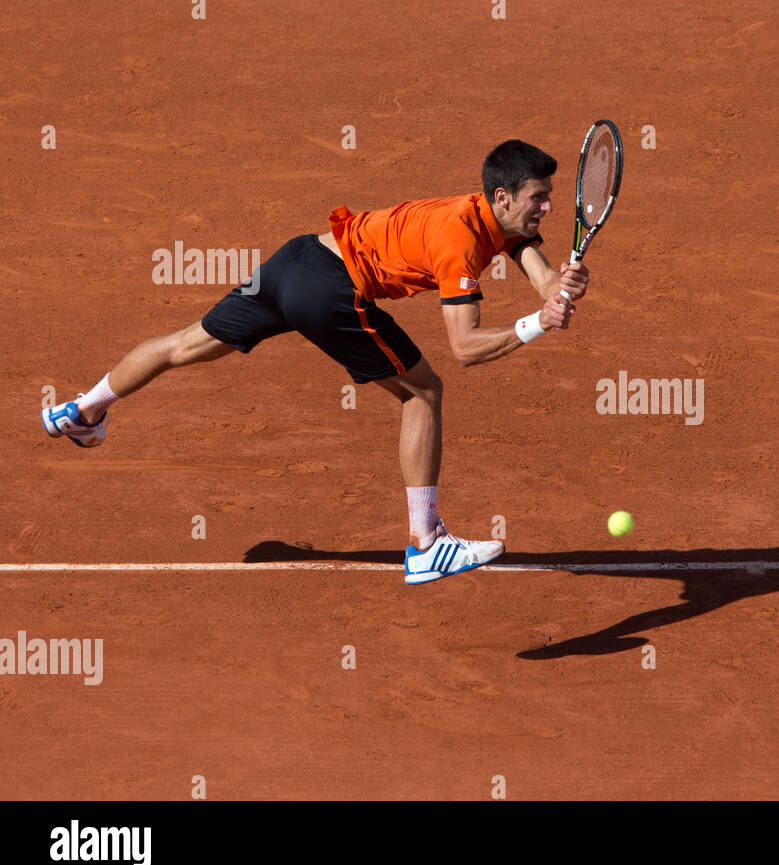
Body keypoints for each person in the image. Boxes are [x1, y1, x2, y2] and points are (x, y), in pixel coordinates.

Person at [40, 139, 589, 584]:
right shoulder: (457, 242)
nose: (547, 207)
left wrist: (552, 284)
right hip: (332, 293)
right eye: (538, 197)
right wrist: (537, 324)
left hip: (295, 259)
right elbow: (466, 348)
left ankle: (82, 411)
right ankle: (427, 545)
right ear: (501, 196)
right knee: (423, 392)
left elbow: (518, 245)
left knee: (185, 344)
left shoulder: (480, 211)